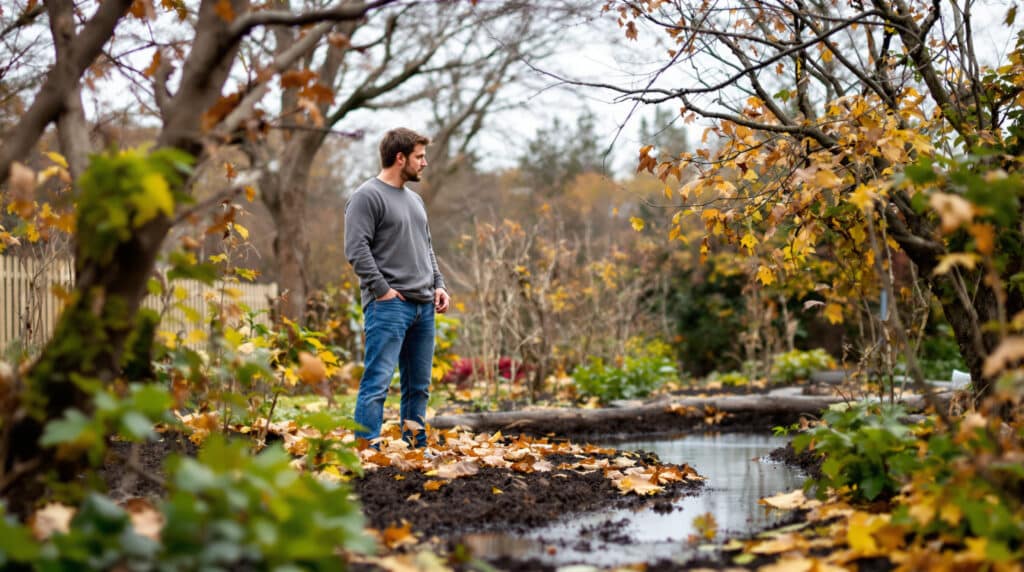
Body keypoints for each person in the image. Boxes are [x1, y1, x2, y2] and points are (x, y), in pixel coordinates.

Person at [344, 128, 450, 448]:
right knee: (377, 383)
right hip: (389, 306)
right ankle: (367, 450)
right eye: (419, 156)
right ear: (400, 158)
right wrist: (382, 291)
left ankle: (415, 448)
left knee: (418, 387)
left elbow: (426, 247)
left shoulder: (415, 201)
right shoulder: (367, 196)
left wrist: (439, 285)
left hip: (423, 307)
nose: (425, 163)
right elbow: (356, 249)